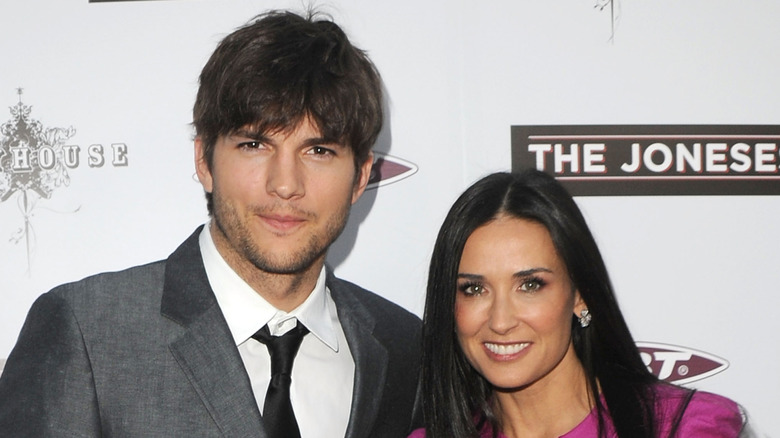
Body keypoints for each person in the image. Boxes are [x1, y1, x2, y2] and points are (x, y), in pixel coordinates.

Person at [0, 10, 421, 438]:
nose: (286, 185)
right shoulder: (89, 334)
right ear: (204, 160)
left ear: (362, 176)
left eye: (319, 151)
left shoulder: (405, 347)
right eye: (255, 145)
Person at [410, 170, 745, 438]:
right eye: (473, 289)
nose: (500, 320)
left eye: (530, 285)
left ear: (580, 293)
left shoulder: (684, 427)